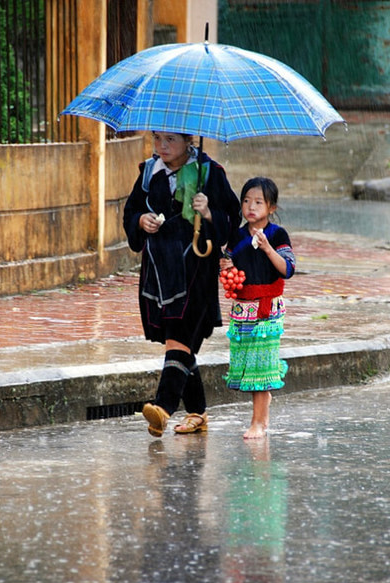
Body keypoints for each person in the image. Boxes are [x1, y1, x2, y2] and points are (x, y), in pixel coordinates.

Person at [123, 132, 240, 437]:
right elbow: (131, 210)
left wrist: (209, 212)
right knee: (181, 343)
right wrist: (140, 221)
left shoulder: (208, 173)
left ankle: (162, 409)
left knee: (180, 336)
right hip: (160, 272)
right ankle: (198, 413)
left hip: (195, 271)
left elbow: (232, 218)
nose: (162, 146)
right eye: (157, 138)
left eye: (170, 139)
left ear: (189, 140)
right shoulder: (149, 173)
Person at [220, 177, 295, 439]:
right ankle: (261, 411)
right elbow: (229, 263)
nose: (251, 207)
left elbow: (287, 269)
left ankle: (259, 423)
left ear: (271, 208)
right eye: (246, 201)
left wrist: (266, 248)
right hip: (242, 310)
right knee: (249, 368)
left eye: (258, 202)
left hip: (267, 310)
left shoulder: (277, 235)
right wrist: (226, 268)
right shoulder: (237, 236)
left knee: (261, 368)